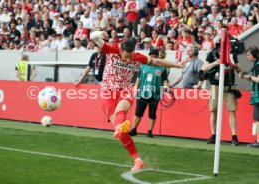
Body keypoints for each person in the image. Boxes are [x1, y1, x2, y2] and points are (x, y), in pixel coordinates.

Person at [90, 31, 184, 171]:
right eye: (126, 57)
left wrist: (177, 65)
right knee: (121, 132)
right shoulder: (111, 49)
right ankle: (138, 160)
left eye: (131, 57)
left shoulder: (137, 57)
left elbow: (157, 61)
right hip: (108, 92)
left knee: (121, 110)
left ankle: (119, 126)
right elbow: (93, 37)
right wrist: (100, 32)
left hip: (125, 89)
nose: (129, 60)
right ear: (120, 51)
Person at [201, 30, 242, 146]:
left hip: (228, 85)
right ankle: (213, 135)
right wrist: (216, 63)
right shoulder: (212, 53)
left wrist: (234, 64)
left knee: (231, 110)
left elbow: (239, 69)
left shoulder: (231, 54)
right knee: (213, 110)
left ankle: (234, 136)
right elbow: (204, 68)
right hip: (214, 85)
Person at [129, 49, 169, 138]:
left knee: (152, 113)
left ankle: (149, 131)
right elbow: (138, 79)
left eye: (155, 56)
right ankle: (134, 129)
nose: (153, 58)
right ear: (149, 56)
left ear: (158, 57)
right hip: (143, 93)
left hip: (155, 94)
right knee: (138, 112)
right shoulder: (143, 66)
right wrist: (136, 89)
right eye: (152, 56)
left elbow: (165, 80)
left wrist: (166, 87)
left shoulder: (162, 69)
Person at [239, 46, 259, 148]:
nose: (247, 57)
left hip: (258, 96)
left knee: (257, 119)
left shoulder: (257, 65)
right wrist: (246, 77)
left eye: (249, 55)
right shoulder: (255, 64)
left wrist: (250, 77)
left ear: (255, 54)